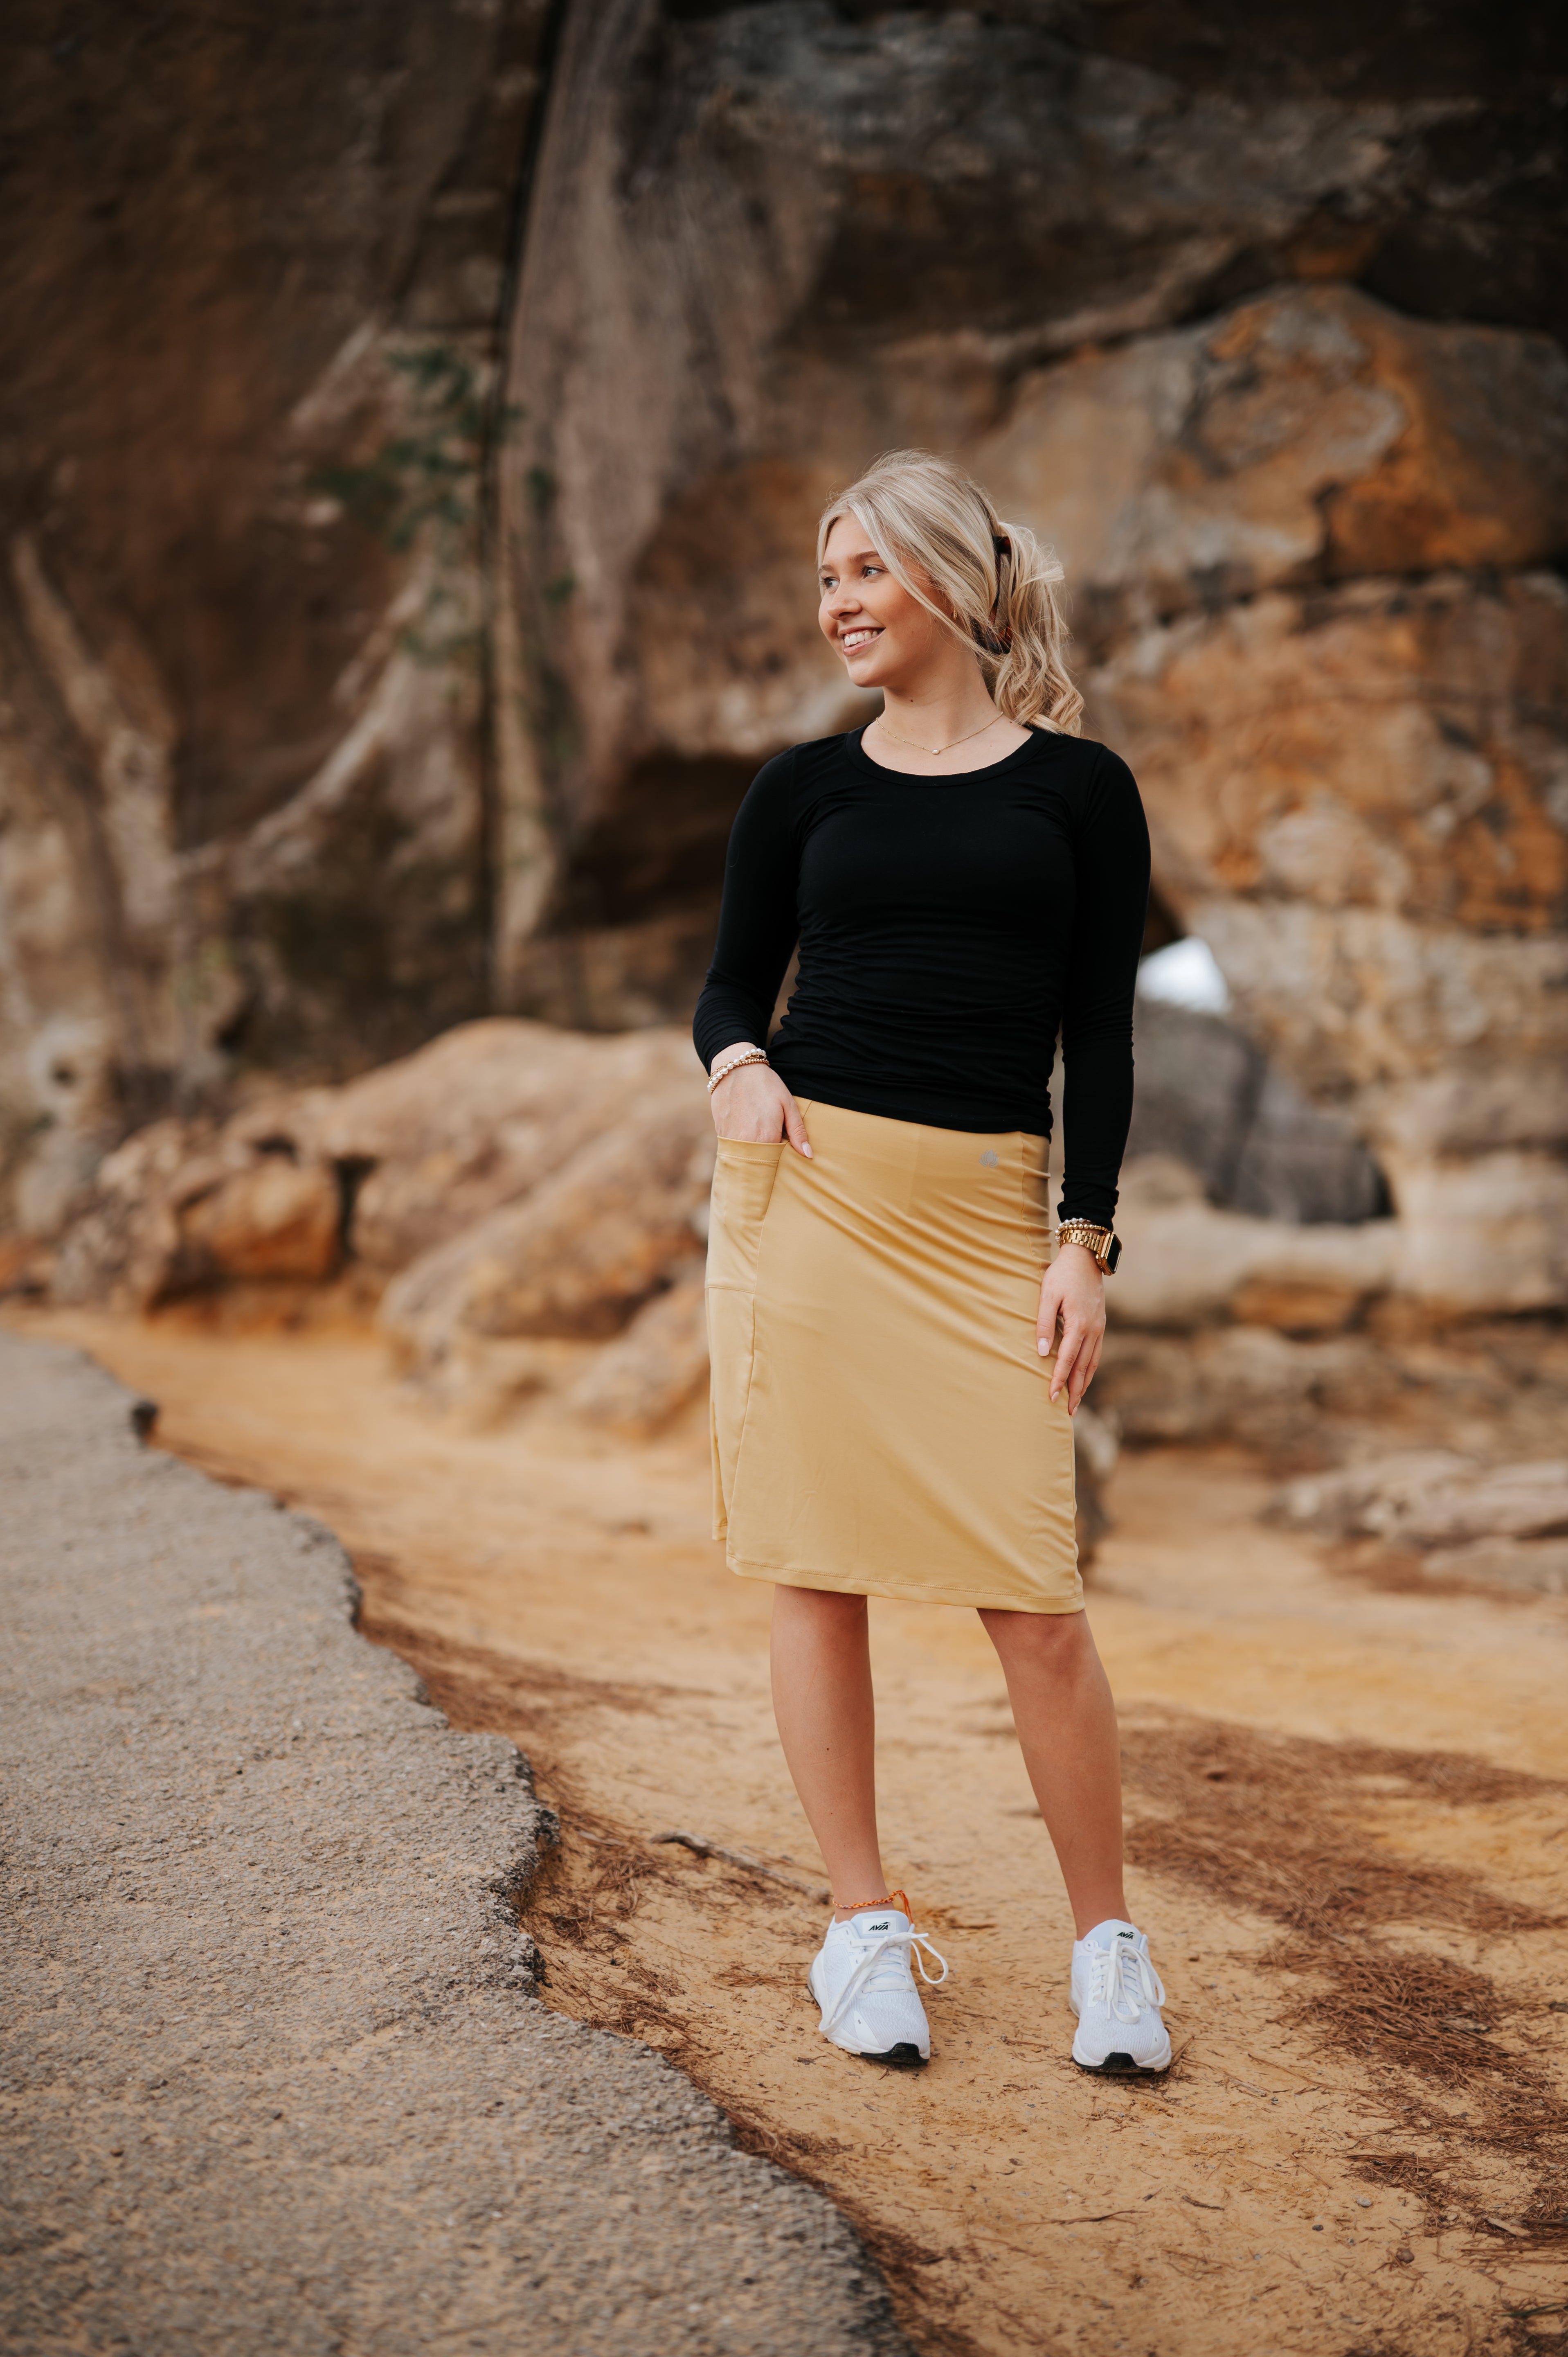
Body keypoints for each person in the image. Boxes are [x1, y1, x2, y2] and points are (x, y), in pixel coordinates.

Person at [692, 449, 1168, 2076]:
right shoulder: (799, 791)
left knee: (1032, 1596)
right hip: (806, 1206)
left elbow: (1094, 1037)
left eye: (862, 574)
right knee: (814, 1571)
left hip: (983, 1223)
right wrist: (736, 1071)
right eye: (823, 581)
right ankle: (858, 1929)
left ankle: (1108, 1951)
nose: (837, 606)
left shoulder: (1078, 792)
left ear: (945, 581)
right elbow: (725, 991)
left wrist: (1082, 1241)